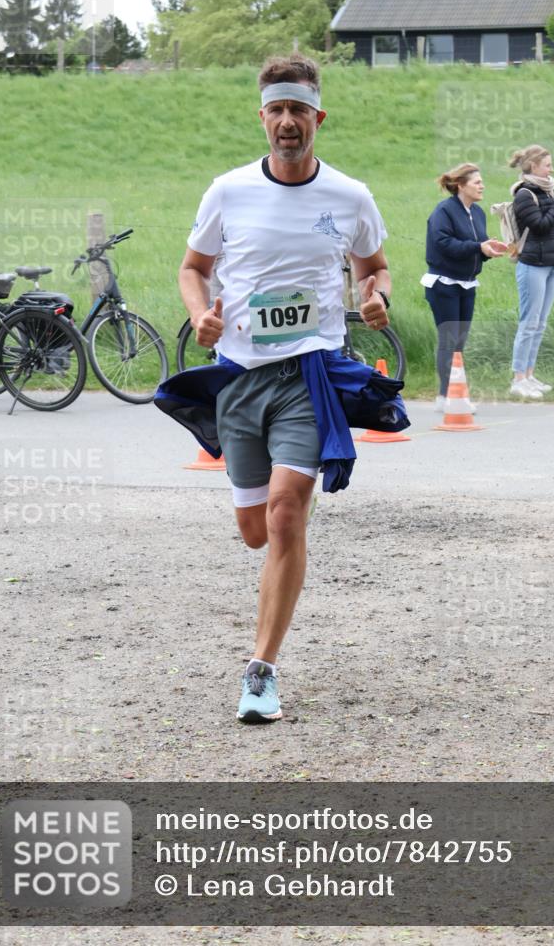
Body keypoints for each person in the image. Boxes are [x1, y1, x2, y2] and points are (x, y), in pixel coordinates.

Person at [174, 54, 400, 724]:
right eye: (276, 109)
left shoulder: (351, 197)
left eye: (298, 109)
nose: (286, 121)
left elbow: (376, 267)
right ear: (263, 118)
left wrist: (376, 296)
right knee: (252, 530)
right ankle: (267, 622)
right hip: (241, 381)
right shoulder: (228, 191)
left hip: (310, 377)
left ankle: (261, 670)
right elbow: (193, 268)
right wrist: (199, 314)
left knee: (284, 516)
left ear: (317, 118)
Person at [422, 164, 507, 410]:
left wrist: (489, 250)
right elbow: (443, 243)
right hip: (443, 284)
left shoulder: (477, 213)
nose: (482, 186)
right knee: (449, 340)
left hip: (468, 284)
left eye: (482, 182)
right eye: (477, 182)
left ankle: (443, 397)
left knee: (459, 342)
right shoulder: (444, 211)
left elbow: (476, 246)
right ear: (461, 185)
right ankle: (453, 398)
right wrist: (477, 248)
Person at [508, 146, 554, 399]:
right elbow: (539, 226)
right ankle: (518, 378)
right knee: (529, 322)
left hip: (552, 263)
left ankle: (530, 375)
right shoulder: (524, 195)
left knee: (540, 323)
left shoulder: (547, 190)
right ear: (533, 166)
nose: (551, 169)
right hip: (532, 265)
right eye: (547, 165)